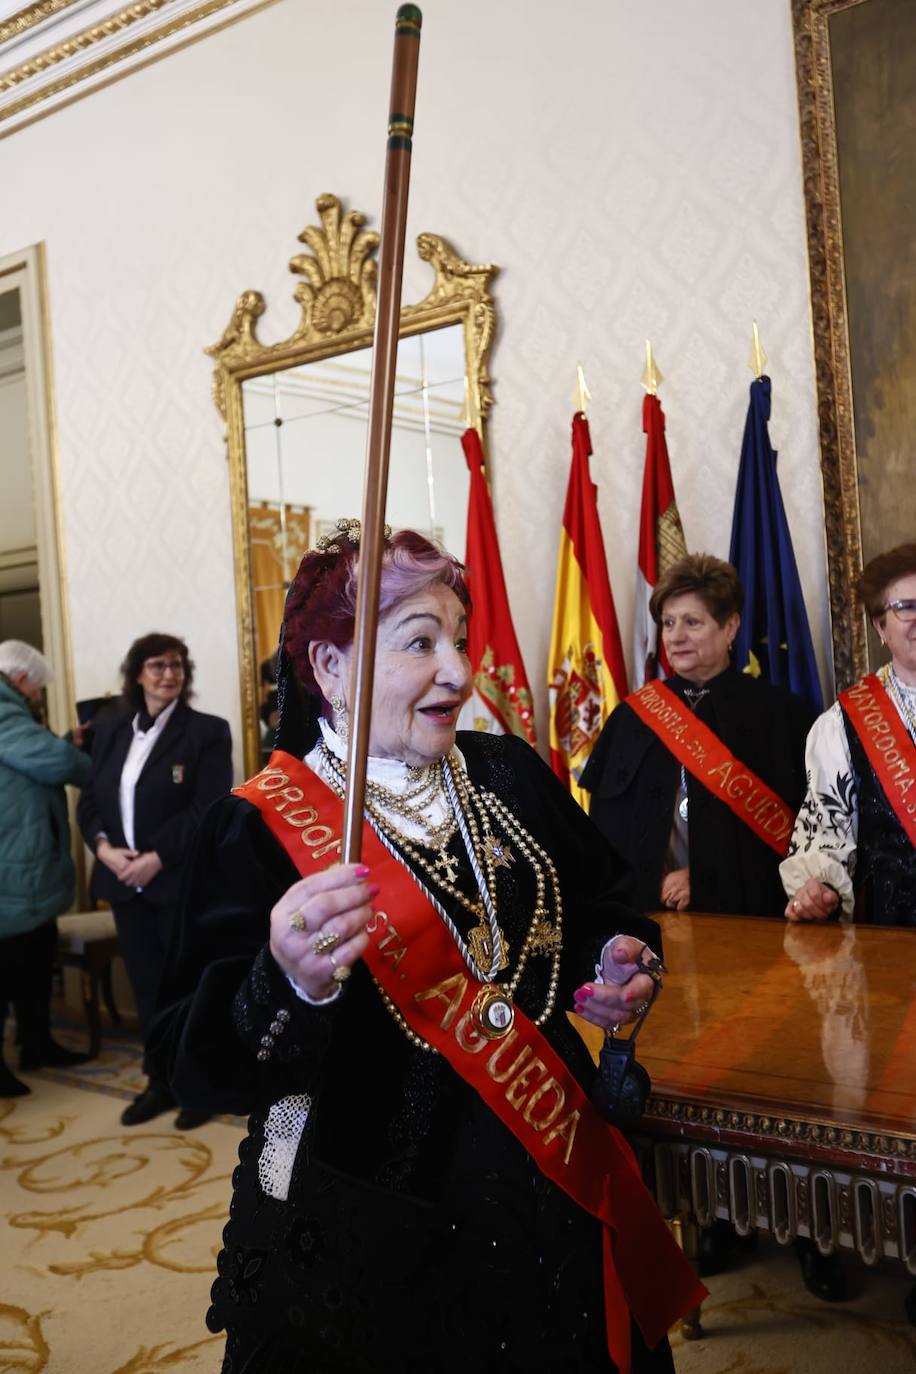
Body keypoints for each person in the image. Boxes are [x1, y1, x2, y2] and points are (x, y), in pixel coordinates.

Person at [149, 524, 704, 1374]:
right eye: (420, 642)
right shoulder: (255, 827)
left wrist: (615, 960)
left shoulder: (508, 772)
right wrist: (288, 984)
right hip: (376, 1218)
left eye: (458, 638)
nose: (458, 670)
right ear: (332, 668)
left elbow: (602, 903)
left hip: (554, 1169)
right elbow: (191, 1055)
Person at [580, 553, 841, 1299]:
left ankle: (811, 1234)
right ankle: (716, 1220)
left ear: (731, 627)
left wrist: (710, 878)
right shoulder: (634, 718)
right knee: (693, 1088)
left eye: (694, 621)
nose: (678, 635)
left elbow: (807, 839)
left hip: (763, 943)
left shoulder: (784, 715)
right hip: (662, 945)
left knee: (785, 1088)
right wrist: (651, 885)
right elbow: (606, 834)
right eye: (668, 623)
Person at [77, 633, 232, 1128]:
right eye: (158, 665)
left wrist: (155, 858)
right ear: (138, 672)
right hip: (123, 880)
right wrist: (103, 848)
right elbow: (90, 803)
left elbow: (206, 806)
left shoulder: (206, 731)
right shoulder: (111, 728)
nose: (169, 673)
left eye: (177, 665)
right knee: (146, 986)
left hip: (176, 880)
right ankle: (160, 1081)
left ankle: (199, 1087)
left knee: (186, 987)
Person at [782, 542, 916, 928]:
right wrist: (818, 886)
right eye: (906, 607)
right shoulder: (843, 724)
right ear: (879, 626)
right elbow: (826, 831)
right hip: (894, 941)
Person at [0, 640, 91, 1098]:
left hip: (19, 862)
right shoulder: (3, 711)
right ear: (21, 682)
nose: (38, 698)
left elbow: (25, 759)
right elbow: (51, 762)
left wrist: (61, 743)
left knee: (36, 954)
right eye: (36, 690)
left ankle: (37, 1042)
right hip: (11, 866)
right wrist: (99, 764)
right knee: (10, 966)